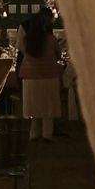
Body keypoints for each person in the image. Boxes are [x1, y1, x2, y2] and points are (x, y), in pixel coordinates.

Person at [18, 8, 64, 141]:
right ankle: (47, 134)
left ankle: (33, 133)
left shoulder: (27, 40)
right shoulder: (50, 39)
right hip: (49, 75)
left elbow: (21, 49)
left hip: (29, 76)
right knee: (48, 107)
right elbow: (59, 54)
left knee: (34, 107)